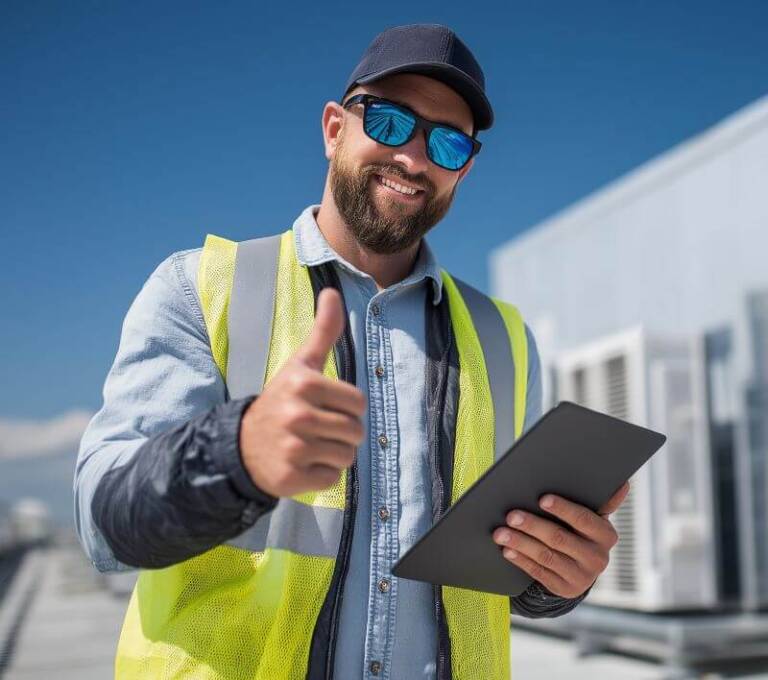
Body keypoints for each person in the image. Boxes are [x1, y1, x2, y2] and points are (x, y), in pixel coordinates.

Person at [74, 22, 629, 680]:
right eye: (391, 123)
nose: (415, 159)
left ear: (465, 168)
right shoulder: (200, 288)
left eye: (447, 143)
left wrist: (556, 577)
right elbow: (103, 525)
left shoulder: (503, 337)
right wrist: (236, 454)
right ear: (335, 128)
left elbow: (495, 567)